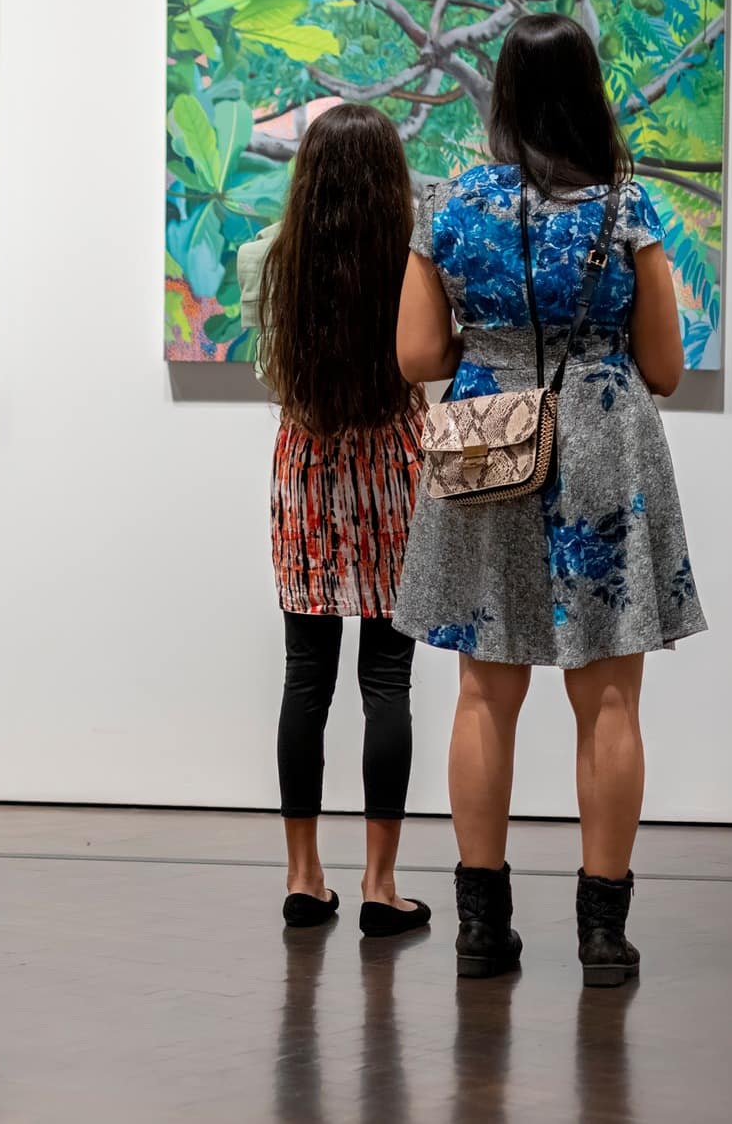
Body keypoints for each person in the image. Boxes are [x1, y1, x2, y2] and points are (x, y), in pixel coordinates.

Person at [394, 12, 707, 986]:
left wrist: (482, 349)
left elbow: (414, 355)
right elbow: (661, 365)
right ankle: (601, 936)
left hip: (488, 440)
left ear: (501, 96)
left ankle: (481, 928)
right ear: (586, 93)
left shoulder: (451, 206)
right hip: (603, 445)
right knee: (606, 696)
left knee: (485, 689)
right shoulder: (624, 212)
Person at [243, 102, 430, 939]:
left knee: (305, 683)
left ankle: (301, 876)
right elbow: (432, 361)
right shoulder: (412, 268)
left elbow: (270, 372)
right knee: (387, 685)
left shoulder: (268, 263)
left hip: (307, 472)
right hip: (395, 472)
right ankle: (380, 885)